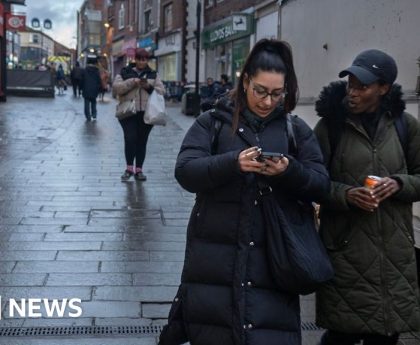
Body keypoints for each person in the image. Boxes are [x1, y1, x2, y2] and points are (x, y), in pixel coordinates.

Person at [158, 39, 330, 345]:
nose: (267, 101)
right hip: (215, 260)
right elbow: (186, 171)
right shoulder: (211, 123)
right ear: (246, 80)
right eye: (260, 91)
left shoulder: (295, 130)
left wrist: (289, 170)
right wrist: (232, 163)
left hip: (274, 262)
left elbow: (321, 184)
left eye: (277, 94)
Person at [314, 49, 420, 345]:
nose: (353, 93)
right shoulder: (330, 127)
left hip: (394, 255)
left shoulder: (405, 126)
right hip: (346, 252)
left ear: (383, 88)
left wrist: (400, 184)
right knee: (340, 336)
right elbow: (311, 180)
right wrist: (346, 194)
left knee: (387, 335)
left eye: (363, 86)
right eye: (351, 84)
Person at [112, 48, 165, 181]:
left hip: (146, 113)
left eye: (145, 59)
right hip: (128, 112)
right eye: (140, 59)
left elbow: (161, 91)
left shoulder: (153, 74)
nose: (142, 62)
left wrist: (148, 86)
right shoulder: (125, 72)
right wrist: (133, 82)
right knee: (130, 139)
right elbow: (116, 88)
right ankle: (129, 169)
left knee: (142, 141)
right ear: (135, 59)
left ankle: (139, 170)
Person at [81, 56, 101, 121]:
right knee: (93, 102)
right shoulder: (97, 71)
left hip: (86, 89)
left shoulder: (85, 70)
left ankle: (88, 116)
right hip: (94, 89)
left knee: (86, 103)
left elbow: (82, 80)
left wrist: (81, 88)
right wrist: (98, 88)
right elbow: (99, 80)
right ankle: (94, 114)